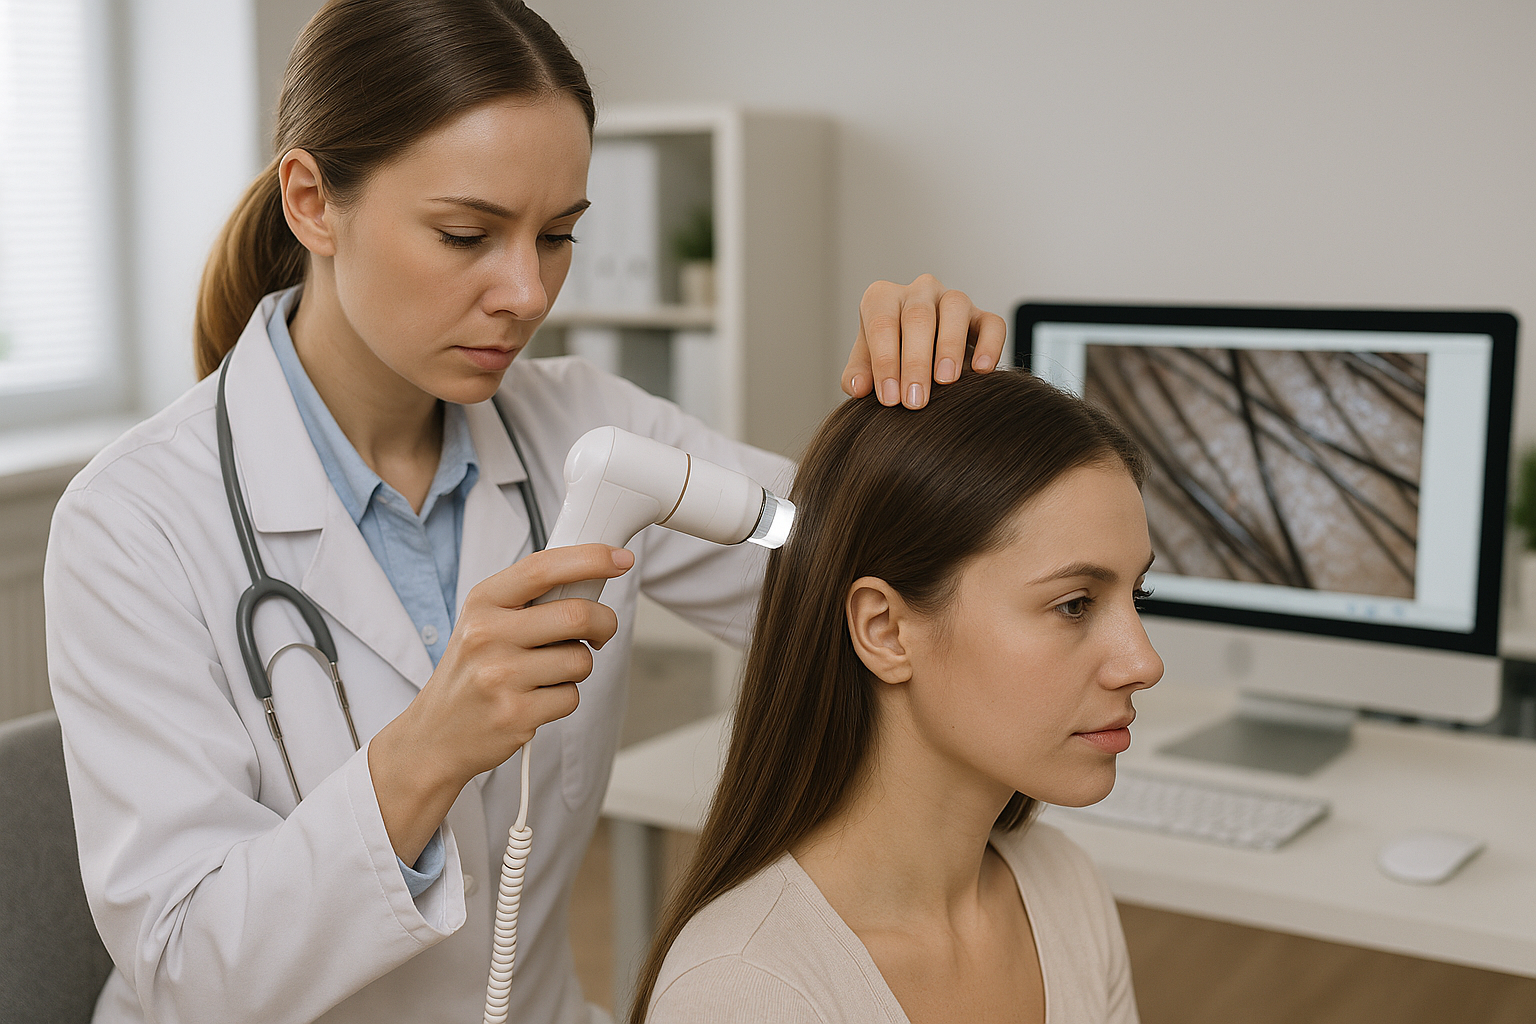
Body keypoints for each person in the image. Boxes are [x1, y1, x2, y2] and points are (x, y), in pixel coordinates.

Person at [41, 2, 1006, 1023]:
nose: (525, 291)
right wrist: (430, 749)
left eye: (556, 236)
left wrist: (935, 407)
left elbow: (870, 596)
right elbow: (191, 969)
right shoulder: (133, 522)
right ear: (313, 201)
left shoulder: (586, 429)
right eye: (468, 234)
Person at [635, 368, 1165, 1024]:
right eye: (1075, 604)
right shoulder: (741, 992)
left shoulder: (1065, 889)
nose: (1144, 662)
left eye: (1136, 597)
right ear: (885, 631)